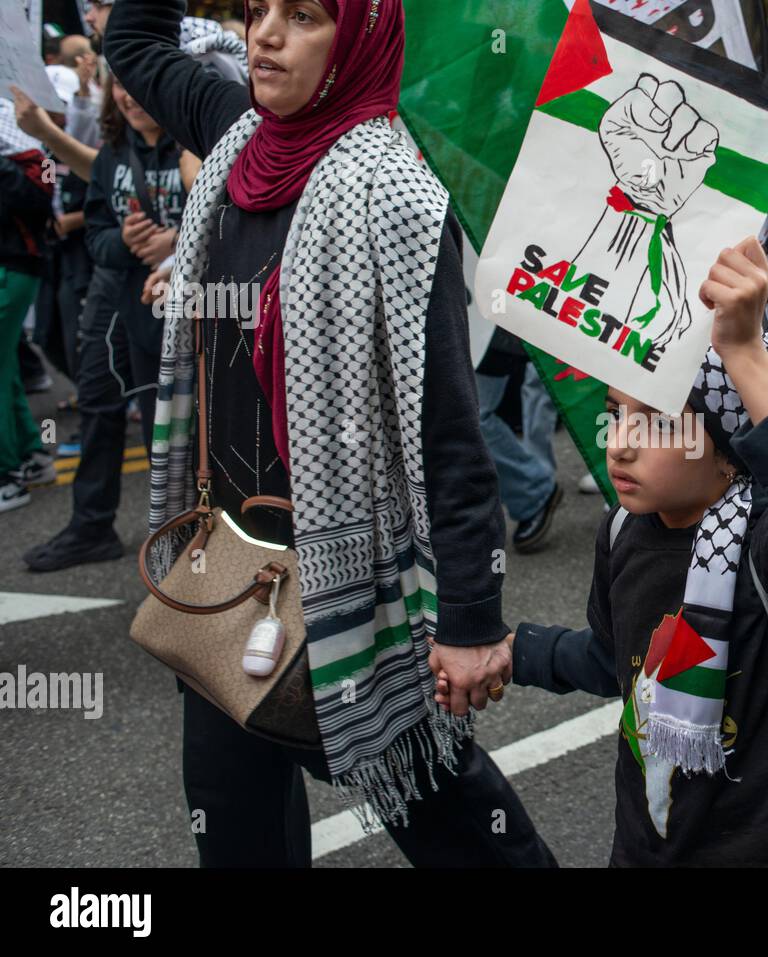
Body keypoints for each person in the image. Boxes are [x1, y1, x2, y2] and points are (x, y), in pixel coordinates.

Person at [102, 0, 553, 867]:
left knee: (459, 826)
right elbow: (132, 41)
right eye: (257, 9)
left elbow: (451, 437)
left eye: (303, 16)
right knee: (234, 833)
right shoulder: (237, 132)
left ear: (358, 38)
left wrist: (469, 623)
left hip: (352, 595)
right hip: (223, 575)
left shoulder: (399, 202)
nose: (265, 34)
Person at [486, 237, 768, 866]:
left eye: (660, 421)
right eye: (616, 411)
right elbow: (619, 657)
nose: (621, 442)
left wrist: (743, 352)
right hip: (648, 846)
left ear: (730, 448)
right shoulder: (622, 532)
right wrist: (516, 652)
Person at [21, 70, 186, 571]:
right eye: (120, 85)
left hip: (177, 306)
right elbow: (95, 234)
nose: (129, 96)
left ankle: (186, 543)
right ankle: (91, 526)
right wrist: (127, 241)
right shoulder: (115, 150)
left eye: (140, 83)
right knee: (97, 407)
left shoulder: (194, 144)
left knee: (175, 424)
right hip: (111, 301)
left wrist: (176, 240)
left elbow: (227, 213)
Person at [0, 103, 56, 513]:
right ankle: (31, 457)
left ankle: (9, 475)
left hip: (14, 267)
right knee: (6, 369)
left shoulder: (25, 152)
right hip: (15, 265)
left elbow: (39, 203)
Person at [474, 328, 565, 552]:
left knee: (472, 418)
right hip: (458, 319)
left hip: (486, 321)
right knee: (464, 417)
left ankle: (532, 491)